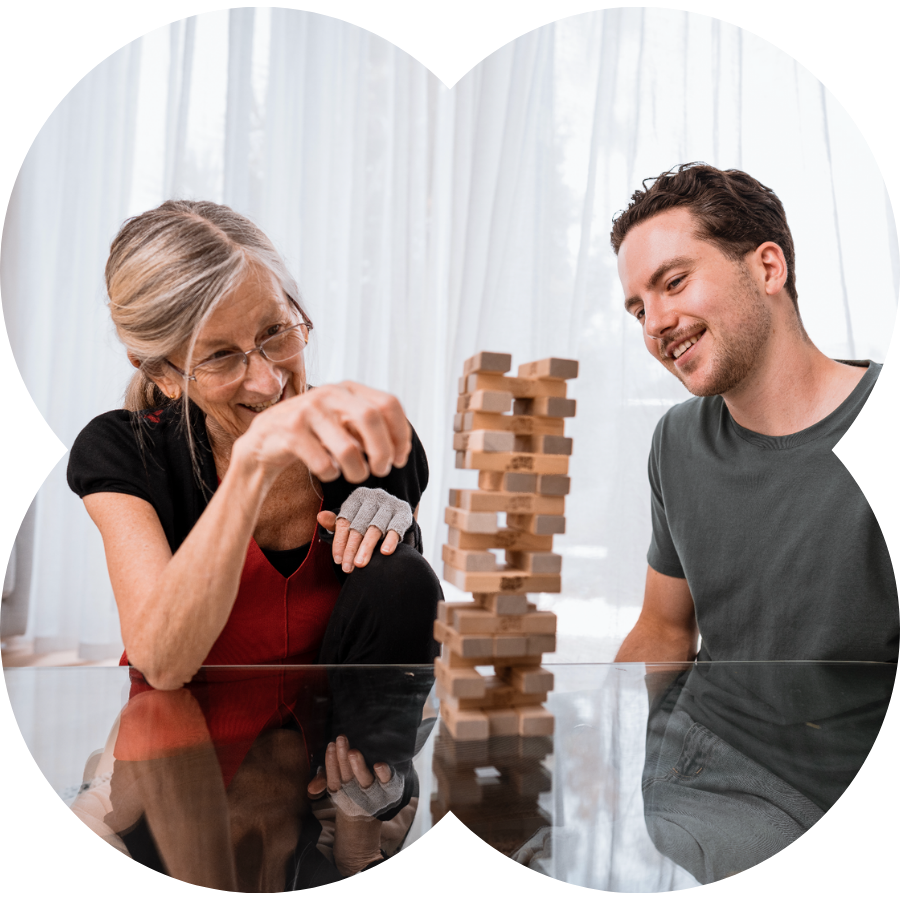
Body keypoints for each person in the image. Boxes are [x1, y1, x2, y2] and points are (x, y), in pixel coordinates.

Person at [66, 199, 442, 887]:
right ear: (162, 370)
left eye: (278, 332)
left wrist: (401, 523)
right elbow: (162, 657)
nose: (269, 381)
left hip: (337, 776)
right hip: (176, 750)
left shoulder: (366, 438)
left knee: (403, 573)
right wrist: (256, 460)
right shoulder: (124, 451)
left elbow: (400, 614)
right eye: (219, 357)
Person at [607, 163, 898, 883]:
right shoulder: (676, 442)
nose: (656, 325)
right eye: (638, 307)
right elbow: (664, 630)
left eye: (673, 283)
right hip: (699, 762)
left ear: (768, 266)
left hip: (824, 784)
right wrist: (606, 748)